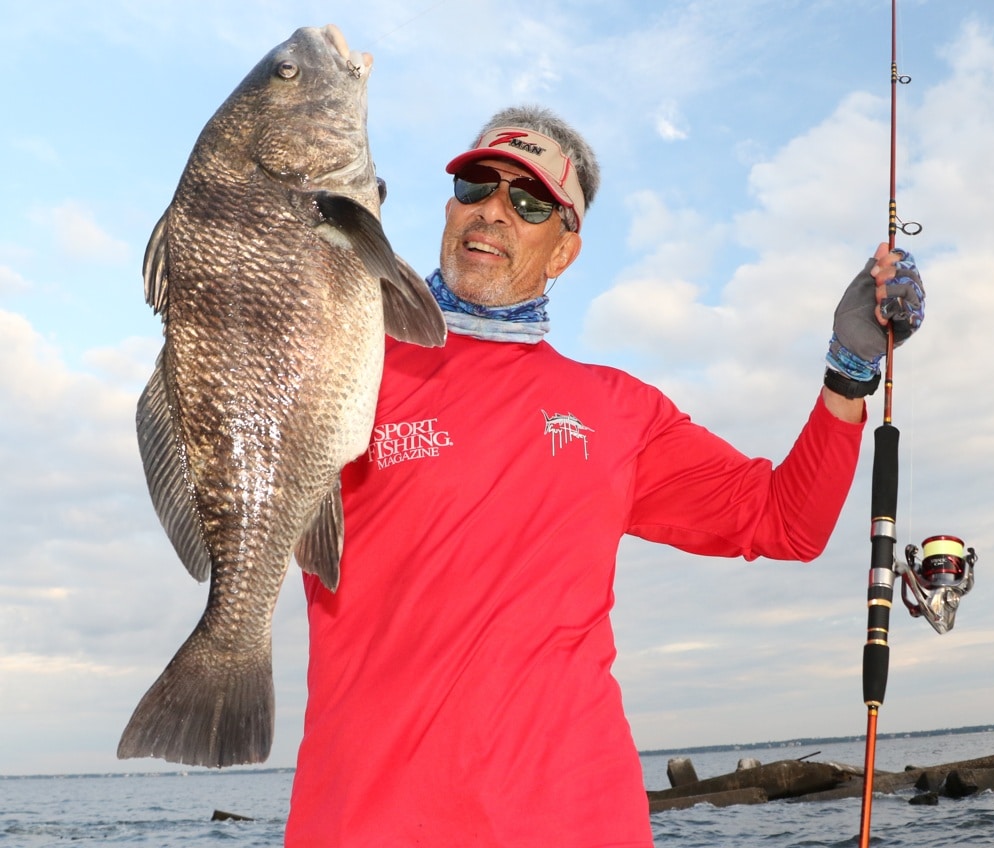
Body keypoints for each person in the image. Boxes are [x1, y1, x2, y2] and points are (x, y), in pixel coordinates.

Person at [285, 105, 925, 847]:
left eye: (529, 203)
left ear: (564, 252)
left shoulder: (619, 411)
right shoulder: (344, 365)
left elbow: (787, 522)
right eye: (476, 188)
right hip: (363, 822)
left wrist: (849, 371)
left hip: (581, 821)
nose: (493, 211)